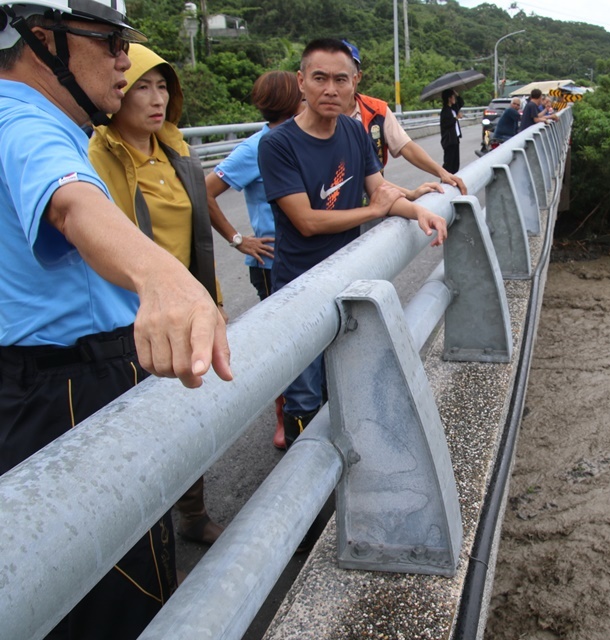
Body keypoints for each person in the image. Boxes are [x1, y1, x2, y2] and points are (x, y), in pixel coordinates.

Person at [0, 0, 231, 637]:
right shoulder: (22, 120)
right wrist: (161, 277)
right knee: (107, 586)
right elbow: (72, 203)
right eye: (107, 40)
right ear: (43, 39)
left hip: (63, 374)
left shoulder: (51, 122)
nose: (124, 58)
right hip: (67, 384)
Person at [259, 38, 447, 447]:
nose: (331, 89)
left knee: (346, 378)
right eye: (320, 78)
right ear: (301, 82)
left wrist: (418, 211)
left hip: (349, 280)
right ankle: (306, 494)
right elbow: (307, 222)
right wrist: (373, 212)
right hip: (300, 287)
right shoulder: (278, 144)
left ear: (355, 82)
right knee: (304, 393)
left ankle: (346, 469)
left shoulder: (352, 130)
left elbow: (378, 190)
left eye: (340, 79)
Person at [87, 43, 225, 546]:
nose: (155, 98)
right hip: (124, 308)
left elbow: (197, 238)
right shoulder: (97, 154)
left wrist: (212, 297)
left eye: (162, 86)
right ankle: (135, 529)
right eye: (141, 86)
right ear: (116, 95)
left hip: (182, 304)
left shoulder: (175, 151)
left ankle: (190, 511)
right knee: (133, 424)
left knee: (187, 411)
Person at [205, 70, 301, 450]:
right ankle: (283, 416)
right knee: (282, 343)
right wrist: (238, 239)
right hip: (270, 262)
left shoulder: (304, 138)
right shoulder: (256, 146)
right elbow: (205, 191)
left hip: (306, 257)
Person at [340, 40, 466, 195]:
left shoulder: (377, 110)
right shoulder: (316, 117)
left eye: (344, 74)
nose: (336, 83)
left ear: (357, 77)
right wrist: (409, 195)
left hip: (376, 201)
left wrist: (442, 173)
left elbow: (406, 147)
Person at [439, 87, 463, 174]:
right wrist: (456, 118)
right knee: (448, 164)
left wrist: (457, 94)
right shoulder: (445, 111)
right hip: (449, 141)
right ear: (449, 98)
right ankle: (444, 182)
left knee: (456, 163)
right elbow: (446, 124)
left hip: (455, 139)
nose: (454, 98)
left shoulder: (453, 108)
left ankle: (453, 180)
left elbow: (461, 103)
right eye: (453, 96)